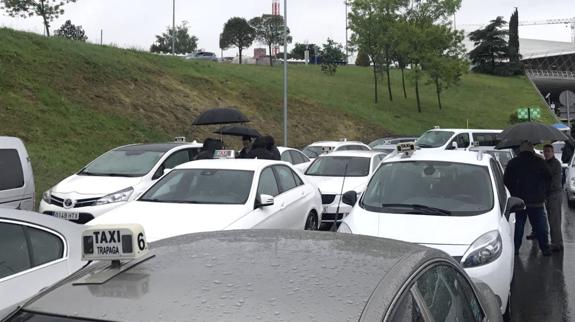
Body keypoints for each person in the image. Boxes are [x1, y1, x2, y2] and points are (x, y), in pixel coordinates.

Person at [504, 141, 552, 256]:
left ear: (520, 150)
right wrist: (544, 192)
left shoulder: (513, 162)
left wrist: (513, 193)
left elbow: (506, 180)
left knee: (519, 224)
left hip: (519, 200)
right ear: (532, 150)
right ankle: (545, 248)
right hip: (537, 200)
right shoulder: (540, 161)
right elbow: (549, 177)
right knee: (540, 224)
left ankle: (515, 249)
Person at [543, 144, 564, 252]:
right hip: (548, 195)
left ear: (552, 152)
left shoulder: (556, 164)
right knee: (552, 220)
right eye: (545, 151)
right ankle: (555, 242)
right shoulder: (545, 163)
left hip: (554, 195)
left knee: (555, 220)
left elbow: (555, 182)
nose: (546, 153)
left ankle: (557, 243)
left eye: (548, 151)